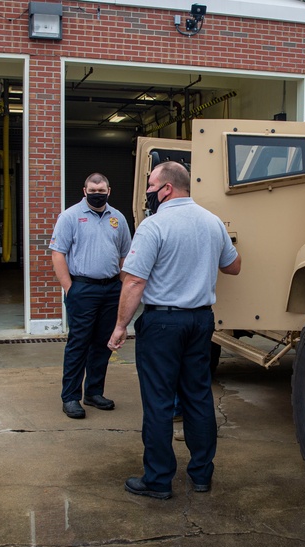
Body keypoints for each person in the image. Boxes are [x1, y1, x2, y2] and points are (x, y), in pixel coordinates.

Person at [108, 161, 241, 499]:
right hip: (200, 321)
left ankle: (158, 480)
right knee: (198, 397)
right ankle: (200, 476)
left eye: (151, 186)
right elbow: (234, 266)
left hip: (163, 323)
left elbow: (135, 280)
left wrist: (121, 325)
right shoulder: (212, 221)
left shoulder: (154, 225)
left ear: (166, 188)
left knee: (158, 402)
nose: (149, 193)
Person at [50, 173, 131, 419]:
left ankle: (94, 393)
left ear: (109, 190)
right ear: (84, 190)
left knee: (103, 345)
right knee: (79, 344)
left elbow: (125, 255)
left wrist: (121, 285)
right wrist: (69, 288)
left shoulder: (118, 218)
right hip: (82, 289)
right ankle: (71, 397)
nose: (98, 193)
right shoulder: (70, 216)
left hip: (111, 290)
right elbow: (58, 254)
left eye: (102, 189)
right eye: (93, 189)